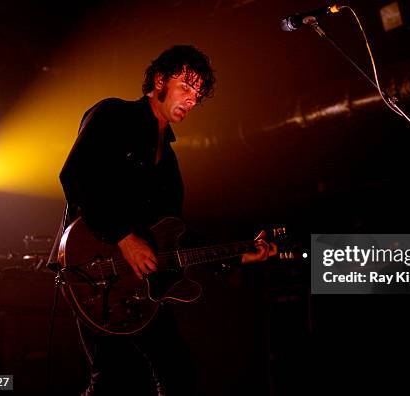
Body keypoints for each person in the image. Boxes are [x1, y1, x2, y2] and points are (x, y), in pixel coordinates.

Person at [56, 45, 276, 396]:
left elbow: (173, 234)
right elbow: (75, 178)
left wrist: (235, 256)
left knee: (178, 373)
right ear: (159, 80)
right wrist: (125, 238)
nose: (192, 100)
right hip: (95, 273)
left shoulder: (169, 165)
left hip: (141, 289)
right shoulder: (112, 114)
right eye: (186, 87)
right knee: (115, 379)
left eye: (198, 94)